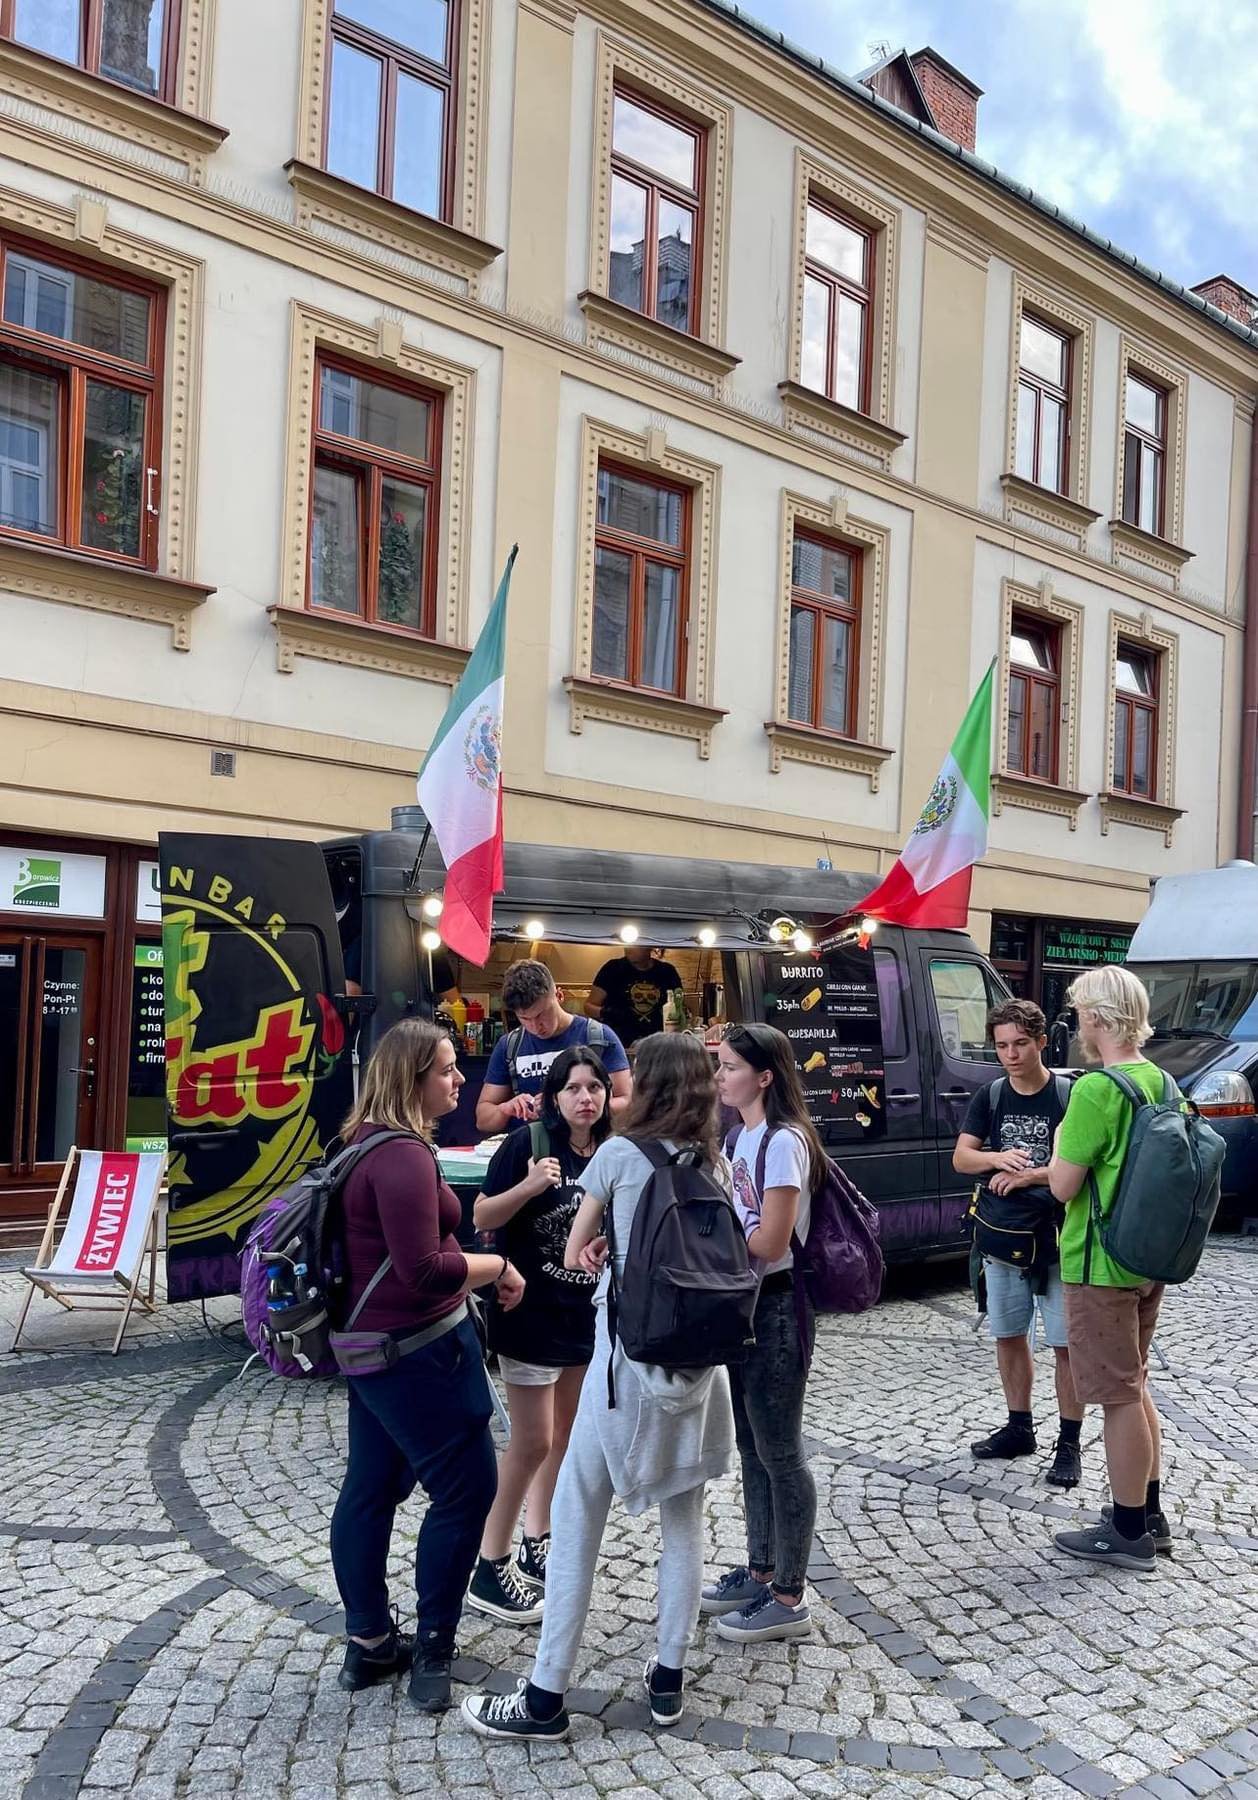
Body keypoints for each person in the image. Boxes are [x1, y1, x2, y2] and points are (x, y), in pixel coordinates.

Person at [461, 1034, 735, 1741]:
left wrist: (608, 1244)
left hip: (624, 1376)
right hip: (698, 1372)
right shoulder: (715, 1162)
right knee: (684, 1525)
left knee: (577, 1519)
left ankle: (545, 1693)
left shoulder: (618, 1156)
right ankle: (668, 1677)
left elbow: (577, 1247)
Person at [329, 1019, 526, 1712]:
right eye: (446, 1069)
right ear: (412, 1077)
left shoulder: (360, 1140)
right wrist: (498, 1265)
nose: (459, 1078)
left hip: (366, 1349)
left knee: (370, 1488)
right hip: (417, 1351)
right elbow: (424, 1270)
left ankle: (369, 1643)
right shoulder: (404, 1156)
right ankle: (434, 1651)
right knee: (468, 1490)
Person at [466, 1047, 612, 1623]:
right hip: (528, 1314)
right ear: (554, 1096)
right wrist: (528, 1187)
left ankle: (538, 1538)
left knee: (563, 1437)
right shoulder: (528, 1143)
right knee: (530, 1441)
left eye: (594, 1087)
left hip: (583, 1316)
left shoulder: (611, 1149)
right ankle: (490, 1562)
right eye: (573, 1088)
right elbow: (481, 1217)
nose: (586, 1098)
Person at [701, 1022, 822, 1644]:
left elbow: (771, 1241)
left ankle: (789, 1595)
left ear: (764, 1076)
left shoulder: (784, 1141)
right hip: (743, 1303)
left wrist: (722, 1228)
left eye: (729, 1067)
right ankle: (761, 1570)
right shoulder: (739, 1135)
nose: (719, 1076)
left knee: (781, 1452)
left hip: (775, 1306)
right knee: (751, 1446)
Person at [1048, 965, 1170, 1573]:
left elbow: (1064, 1184)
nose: (1077, 1023)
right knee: (1135, 1382)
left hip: (1099, 1262)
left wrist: (1058, 1144)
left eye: (1079, 1013)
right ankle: (1148, 1513)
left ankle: (1126, 1532)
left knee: (1118, 1396)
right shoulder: (1160, 1081)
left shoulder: (1097, 1090)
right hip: (1146, 1255)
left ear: (1097, 1018)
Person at [953, 999, 1084, 1487]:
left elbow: (1085, 1166)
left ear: (1042, 1043)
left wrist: (1031, 1175)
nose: (1010, 1054)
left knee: (1065, 1345)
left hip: (1057, 1239)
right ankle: (1019, 1427)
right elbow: (962, 1158)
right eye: (1002, 1045)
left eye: (1021, 1044)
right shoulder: (991, 1095)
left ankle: (1069, 1443)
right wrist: (996, 1158)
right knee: (1008, 1336)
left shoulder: (1069, 1096)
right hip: (1002, 1236)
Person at [476, 960, 632, 1133]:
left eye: (541, 1014)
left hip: (586, 1144)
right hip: (530, 1144)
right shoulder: (509, 1046)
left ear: (559, 996)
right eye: (524, 1019)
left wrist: (572, 1106)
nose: (536, 1027)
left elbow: (628, 1105)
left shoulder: (599, 1037)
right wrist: (506, 1108)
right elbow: (483, 1119)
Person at [587, 945, 685, 1047]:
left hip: (658, 1044)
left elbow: (680, 1010)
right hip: (619, 1043)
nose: (629, 948)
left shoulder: (667, 972)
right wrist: (609, 1012)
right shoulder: (613, 969)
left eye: (636, 945)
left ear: (649, 946)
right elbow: (589, 1007)